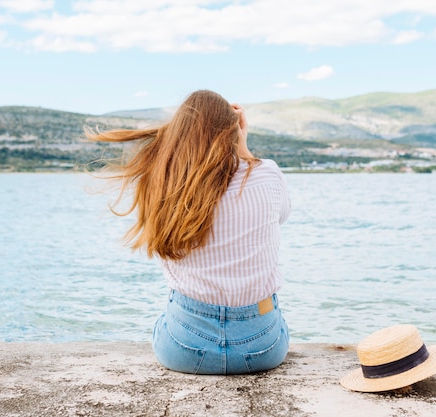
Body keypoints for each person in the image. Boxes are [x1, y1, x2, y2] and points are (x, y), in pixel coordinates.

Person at [86, 90, 291, 375]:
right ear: (234, 131)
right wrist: (243, 147)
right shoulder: (267, 174)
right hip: (261, 349)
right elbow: (280, 215)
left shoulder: (163, 183)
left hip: (183, 348)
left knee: (164, 320)